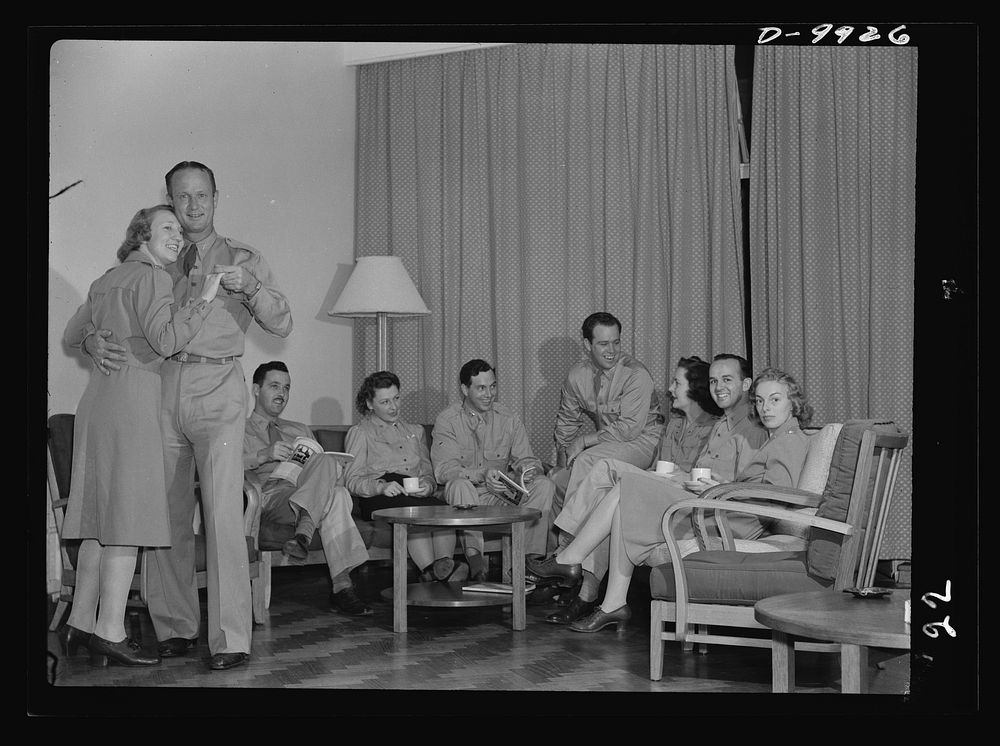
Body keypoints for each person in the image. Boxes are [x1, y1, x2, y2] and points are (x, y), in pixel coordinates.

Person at [80, 161, 293, 670]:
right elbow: (97, 317)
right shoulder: (157, 257)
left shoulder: (242, 257)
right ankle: (174, 628)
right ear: (170, 201)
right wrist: (91, 341)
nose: (193, 206)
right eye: (182, 198)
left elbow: (282, 321)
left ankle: (230, 638)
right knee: (165, 516)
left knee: (221, 514)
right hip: (159, 386)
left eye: (202, 196)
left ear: (216, 197)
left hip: (218, 386)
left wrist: (251, 288)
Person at [533, 366, 813, 634]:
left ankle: (571, 557)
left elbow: (776, 500)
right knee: (624, 500)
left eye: (775, 400)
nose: (766, 408)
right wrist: (725, 486)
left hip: (734, 519)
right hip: (728, 509)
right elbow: (763, 489)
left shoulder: (789, 440)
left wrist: (726, 488)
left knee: (628, 485)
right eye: (762, 401)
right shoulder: (776, 437)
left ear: (793, 401)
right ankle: (612, 603)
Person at [61, 205, 223, 666]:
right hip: (132, 403)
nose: (177, 235)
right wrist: (204, 301)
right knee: (126, 520)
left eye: (178, 228)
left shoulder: (105, 279)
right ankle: (111, 629)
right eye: (167, 228)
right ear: (142, 236)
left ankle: (80, 624)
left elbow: (74, 333)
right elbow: (168, 340)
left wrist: (94, 339)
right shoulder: (152, 278)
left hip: (97, 403)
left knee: (98, 518)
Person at [533, 355, 721, 624]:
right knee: (607, 499)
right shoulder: (675, 425)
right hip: (659, 495)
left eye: (676, 383)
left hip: (681, 507)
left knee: (604, 468)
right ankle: (586, 593)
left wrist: (671, 478)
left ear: (694, 389)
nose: (669, 389)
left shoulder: (714, 429)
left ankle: (567, 553)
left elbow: (697, 480)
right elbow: (661, 469)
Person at [243, 361, 372, 615]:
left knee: (335, 486)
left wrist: (334, 468)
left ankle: (305, 537)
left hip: (304, 492)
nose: (282, 393)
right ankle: (342, 586)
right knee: (336, 496)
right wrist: (263, 455)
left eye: (287, 388)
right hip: (269, 495)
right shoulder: (239, 429)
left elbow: (322, 469)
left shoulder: (299, 429)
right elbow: (222, 467)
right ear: (256, 390)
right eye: (274, 386)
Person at [431, 359, 555, 581]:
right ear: (464, 389)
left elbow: (528, 458)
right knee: (460, 485)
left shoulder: (509, 419)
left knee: (544, 485)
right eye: (481, 388)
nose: (489, 394)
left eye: (493, 386)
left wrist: (527, 470)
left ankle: (529, 565)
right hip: (464, 497)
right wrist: (480, 474)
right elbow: (443, 471)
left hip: (500, 495)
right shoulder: (447, 420)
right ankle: (477, 564)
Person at [343, 371, 463, 582]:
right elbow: (351, 480)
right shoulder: (360, 433)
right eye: (385, 401)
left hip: (413, 492)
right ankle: (432, 572)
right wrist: (380, 487)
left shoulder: (415, 432)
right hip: (380, 495)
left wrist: (427, 484)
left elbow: (427, 473)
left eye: (396, 398)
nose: (394, 407)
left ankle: (442, 569)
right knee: (414, 515)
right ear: (370, 404)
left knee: (443, 512)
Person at [550, 312, 664, 534]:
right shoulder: (577, 376)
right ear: (587, 344)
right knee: (559, 480)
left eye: (616, 342)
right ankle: (549, 551)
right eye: (603, 344)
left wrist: (583, 441)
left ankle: (567, 544)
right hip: (609, 444)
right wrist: (562, 465)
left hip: (645, 441)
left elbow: (629, 429)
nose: (611, 351)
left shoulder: (636, 374)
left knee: (586, 460)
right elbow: (566, 424)